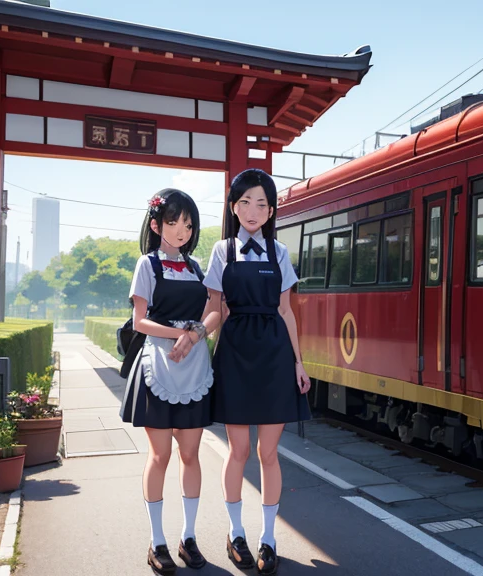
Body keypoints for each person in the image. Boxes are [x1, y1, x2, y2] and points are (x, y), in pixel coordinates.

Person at [197, 168, 311, 575]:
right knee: (239, 451)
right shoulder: (222, 251)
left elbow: (286, 312)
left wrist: (299, 362)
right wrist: (195, 336)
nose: (253, 210)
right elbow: (214, 309)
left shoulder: (279, 252)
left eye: (262, 203)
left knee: (268, 453)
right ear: (233, 206)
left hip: (275, 355)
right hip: (236, 354)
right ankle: (235, 532)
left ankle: (268, 538)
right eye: (245, 202)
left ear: (271, 209)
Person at [119, 188, 214, 575]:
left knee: (191, 455)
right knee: (160, 456)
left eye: (188, 224)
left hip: (191, 364)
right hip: (158, 361)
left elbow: (213, 310)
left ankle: (188, 537)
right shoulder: (147, 264)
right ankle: (156, 540)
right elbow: (140, 322)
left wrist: (194, 336)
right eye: (173, 222)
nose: (182, 231)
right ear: (156, 224)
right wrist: (181, 336)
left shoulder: (196, 268)